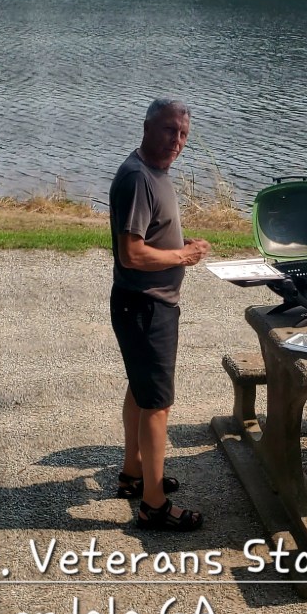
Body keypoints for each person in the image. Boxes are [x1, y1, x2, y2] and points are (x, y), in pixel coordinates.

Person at [109, 98, 211, 532]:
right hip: (146, 305)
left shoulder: (154, 172)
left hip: (145, 304)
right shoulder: (137, 178)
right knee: (157, 404)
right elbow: (131, 254)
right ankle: (153, 504)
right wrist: (183, 256)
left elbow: (149, 239)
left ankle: (134, 473)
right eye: (170, 130)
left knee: (141, 389)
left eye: (183, 134)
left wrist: (180, 249)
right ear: (148, 127)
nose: (177, 141)